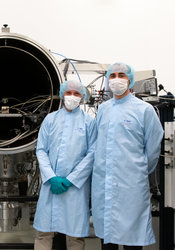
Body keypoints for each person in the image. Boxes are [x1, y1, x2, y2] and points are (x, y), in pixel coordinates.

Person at [91, 62, 164, 250]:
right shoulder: (103, 109)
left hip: (132, 185)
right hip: (104, 184)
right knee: (108, 239)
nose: (116, 79)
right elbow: (98, 145)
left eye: (121, 75)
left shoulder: (144, 110)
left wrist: (136, 171)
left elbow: (153, 148)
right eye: (113, 75)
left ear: (130, 79)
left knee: (132, 239)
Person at [33, 80, 97, 250]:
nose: (72, 97)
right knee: (43, 233)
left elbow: (92, 154)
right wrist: (51, 177)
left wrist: (71, 179)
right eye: (68, 93)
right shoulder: (50, 119)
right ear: (62, 95)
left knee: (75, 236)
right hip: (50, 185)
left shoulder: (89, 122)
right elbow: (41, 150)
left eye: (76, 94)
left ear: (82, 97)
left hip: (75, 187)